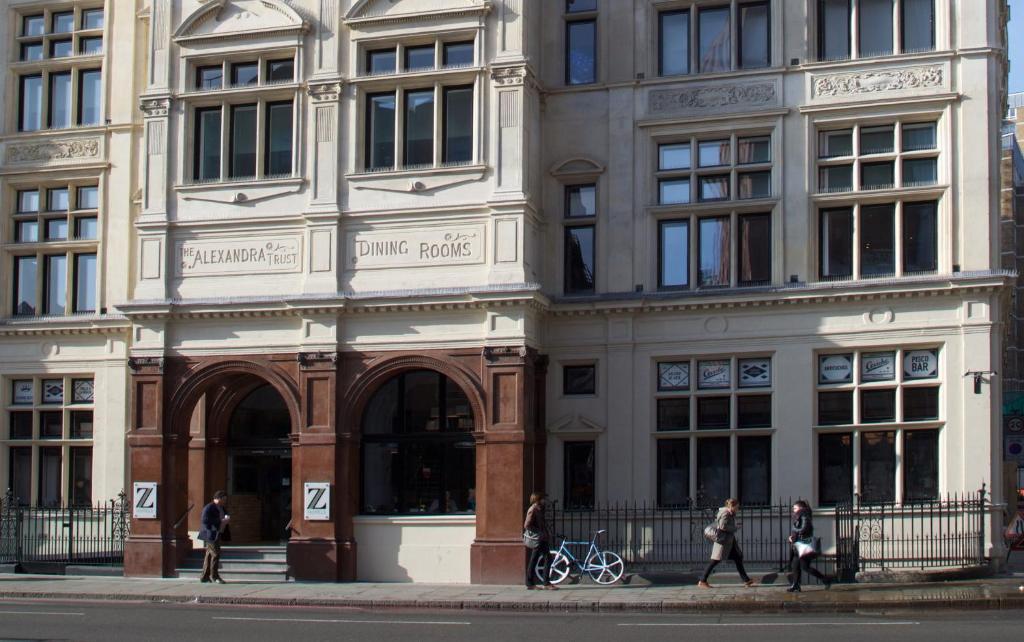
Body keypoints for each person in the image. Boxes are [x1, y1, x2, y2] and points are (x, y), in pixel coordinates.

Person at [698, 498, 754, 588]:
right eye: (737, 507)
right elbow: (722, 526)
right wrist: (735, 528)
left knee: (738, 557)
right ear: (732, 506)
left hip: (728, 540)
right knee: (715, 561)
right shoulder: (725, 513)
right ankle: (702, 580)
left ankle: (746, 580)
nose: (738, 509)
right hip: (723, 541)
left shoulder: (729, 513)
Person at [787, 499, 831, 592]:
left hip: (803, 545)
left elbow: (803, 529)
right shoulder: (800, 516)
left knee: (804, 567)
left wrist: (794, 530)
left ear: (801, 508)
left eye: (795, 508)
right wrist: (793, 537)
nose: (793, 510)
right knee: (795, 565)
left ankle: (825, 579)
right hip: (798, 545)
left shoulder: (804, 515)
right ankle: (795, 585)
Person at [524, 491, 557, 590]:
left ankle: (543, 583)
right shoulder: (533, 509)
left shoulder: (538, 509)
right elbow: (527, 525)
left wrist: (546, 533)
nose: (544, 500)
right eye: (543, 499)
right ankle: (533, 583)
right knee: (536, 560)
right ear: (538, 499)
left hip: (542, 539)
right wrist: (539, 532)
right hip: (538, 540)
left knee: (547, 559)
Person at [198, 490, 230, 584]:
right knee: (216, 554)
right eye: (224, 499)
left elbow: (223, 517)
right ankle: (215, 576)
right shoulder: (210, 507)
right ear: (218, 498)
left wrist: (226, 519)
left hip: (217, 533)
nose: (225, 501)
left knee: (209, 555)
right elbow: (204, 520)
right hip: (210, 534)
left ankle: (204, 576)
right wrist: (220, 520)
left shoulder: (221, 507)